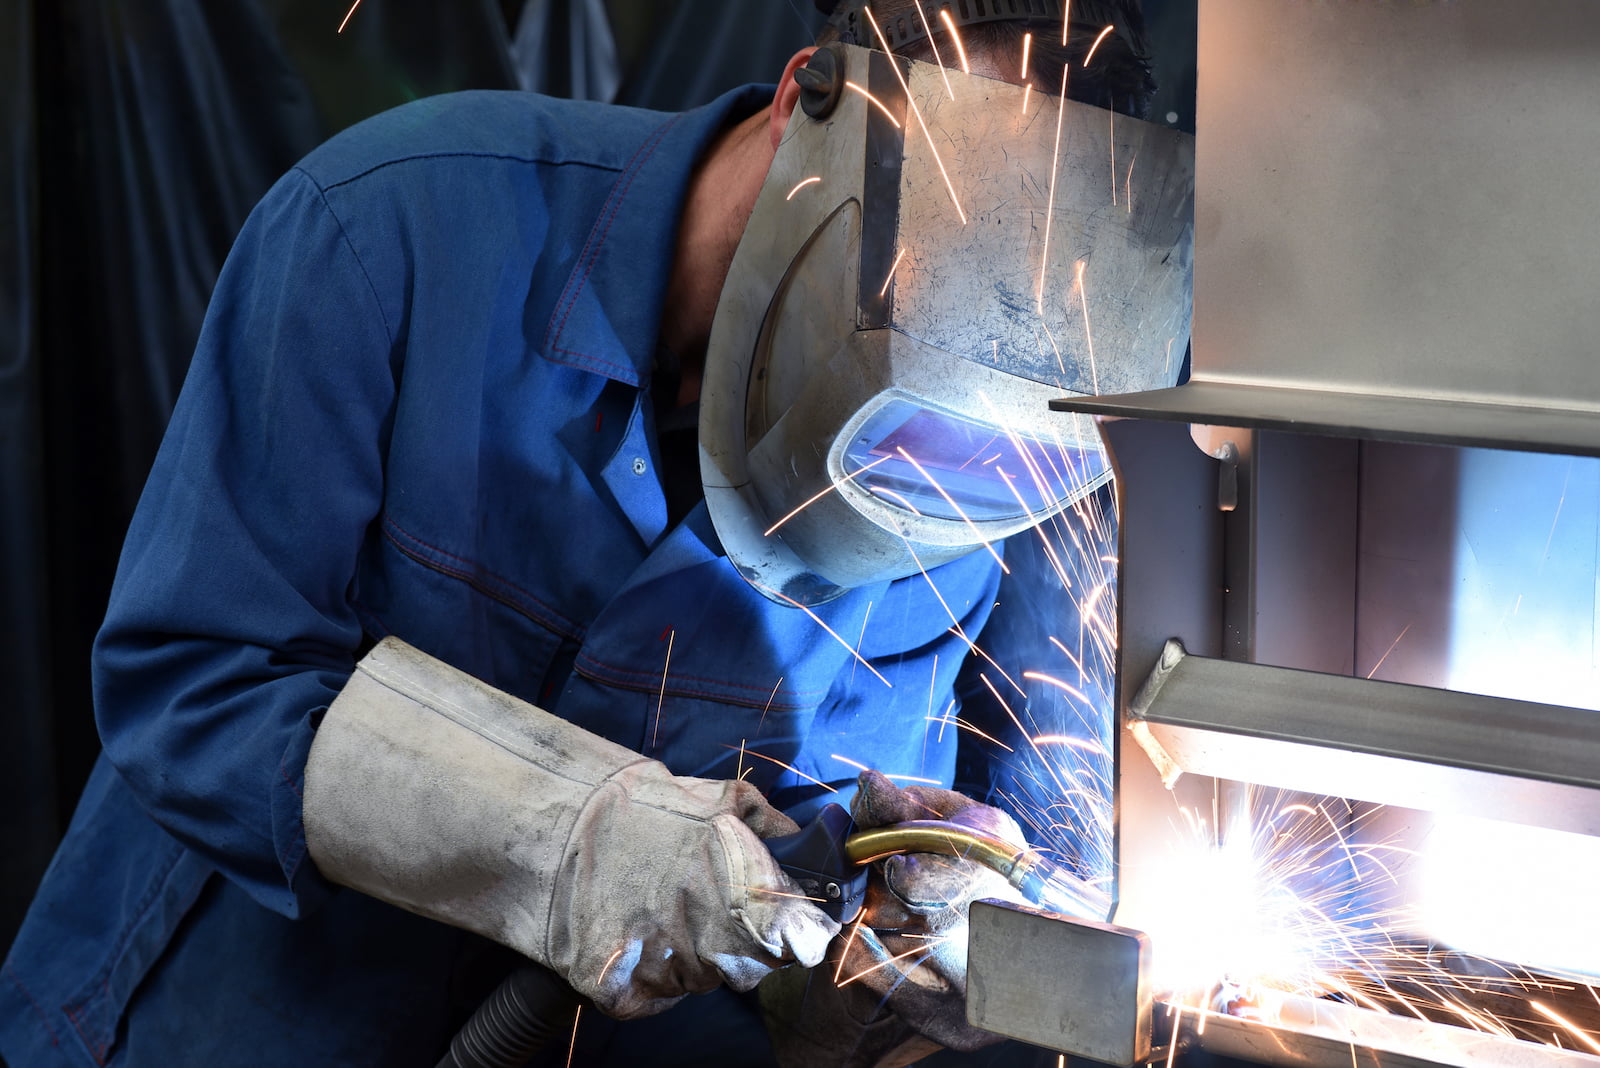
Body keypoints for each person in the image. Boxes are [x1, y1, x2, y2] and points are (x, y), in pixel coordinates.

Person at [0, 2, 1186, 1065]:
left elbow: (912, 846)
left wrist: (879, 924)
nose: (926, 459)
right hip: (223, 1026)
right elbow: (193, 684)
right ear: (800, 113)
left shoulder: (1016, 461)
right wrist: (570, 838)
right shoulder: (395, 227)